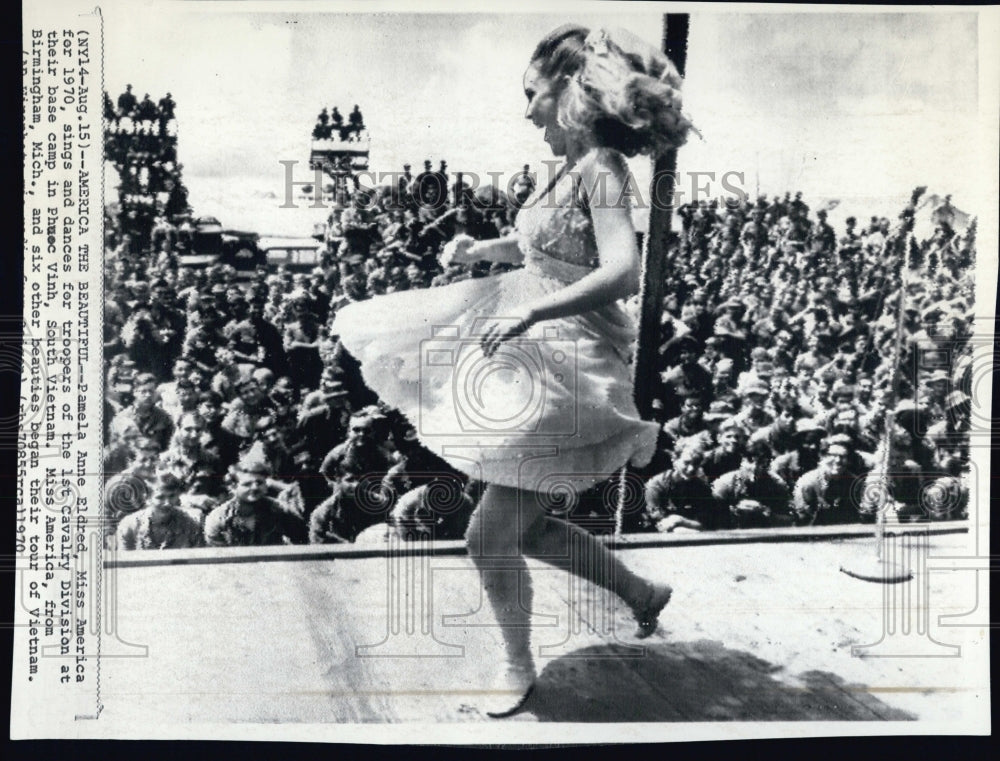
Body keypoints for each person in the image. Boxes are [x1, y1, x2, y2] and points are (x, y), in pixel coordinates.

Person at [330, 25, 691, 716]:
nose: (526, 111)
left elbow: (621, 271)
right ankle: (641, 594)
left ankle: (516, 663)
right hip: (531, 362)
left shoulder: (604, 167)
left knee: (487, 534)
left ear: (573, 94)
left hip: (569, 369)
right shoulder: (561, 169)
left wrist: (533, 315)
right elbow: (546, 250)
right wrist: (481, 250)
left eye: (534, 95)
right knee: (524, 528)